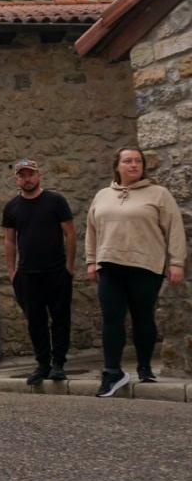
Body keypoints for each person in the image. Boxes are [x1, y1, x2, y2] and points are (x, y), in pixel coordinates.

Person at [85, 147, 186, 398]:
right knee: (111, 317)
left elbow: (174, 228)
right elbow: (91, 230)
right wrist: (91, 260)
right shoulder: (103, 195)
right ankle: (112, 373)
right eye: (127, 161)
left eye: (138, 161)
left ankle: (144, 366)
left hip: (146, 265)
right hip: (109, 263)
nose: (133, 165)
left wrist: (177, 262)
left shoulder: (159, 194)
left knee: (143, 316)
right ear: (117, 166)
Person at [2, 159, 75, 386]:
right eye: (22, 175)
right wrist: (12, 271)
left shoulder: (55, 201)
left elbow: (70, 234)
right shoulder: (12, 207)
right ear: (17, 179)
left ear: (39, 175)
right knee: (35, 321)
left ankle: (58, 364)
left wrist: (70, 267)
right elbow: (9, 240)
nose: (27, 178)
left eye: (31, 174)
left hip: (56, 272)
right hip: (27, 275)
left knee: (60, 319)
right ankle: (42, 364)